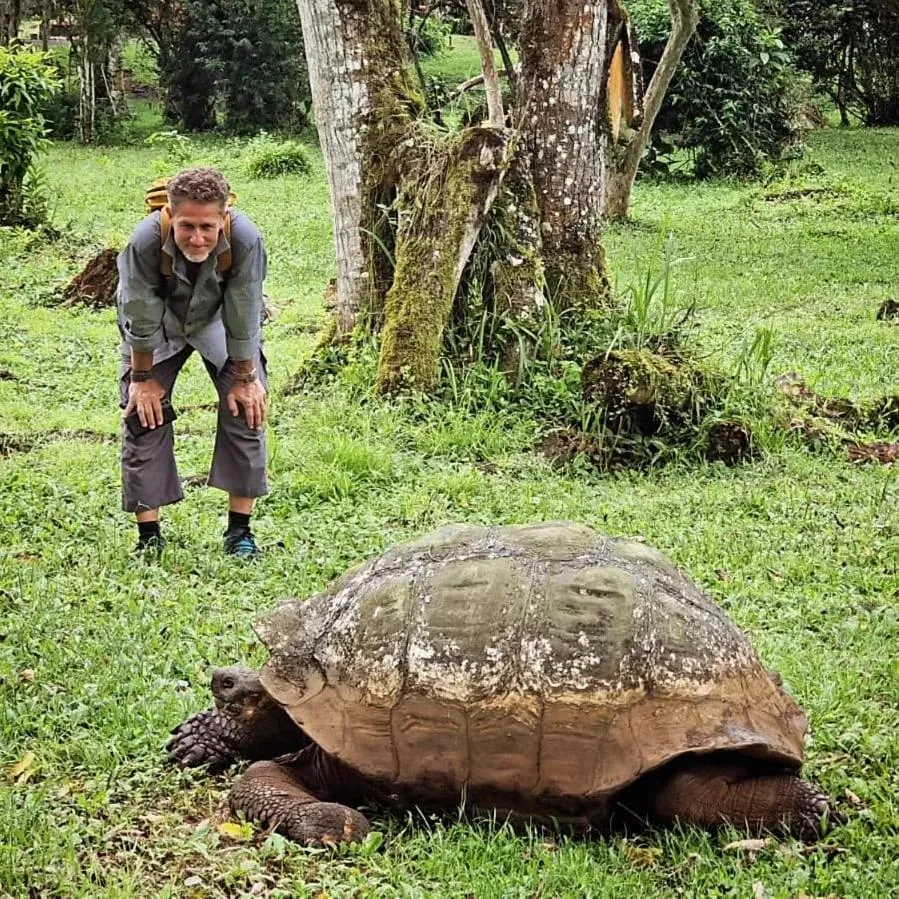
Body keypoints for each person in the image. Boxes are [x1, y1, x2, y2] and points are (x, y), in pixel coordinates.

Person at [117, 167, 269, 558]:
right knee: (143, 413)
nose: (197, 238)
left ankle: (240, 533)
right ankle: (149, 537)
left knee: (247, 409)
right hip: (158, 326)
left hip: (219, 321)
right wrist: (143, 378)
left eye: (207, 227)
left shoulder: (246, 239)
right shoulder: (145, 241)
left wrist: (245, 377)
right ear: (170, 214)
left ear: (224, 217)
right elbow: (140, 311)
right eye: (187, 226)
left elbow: (245, 309)